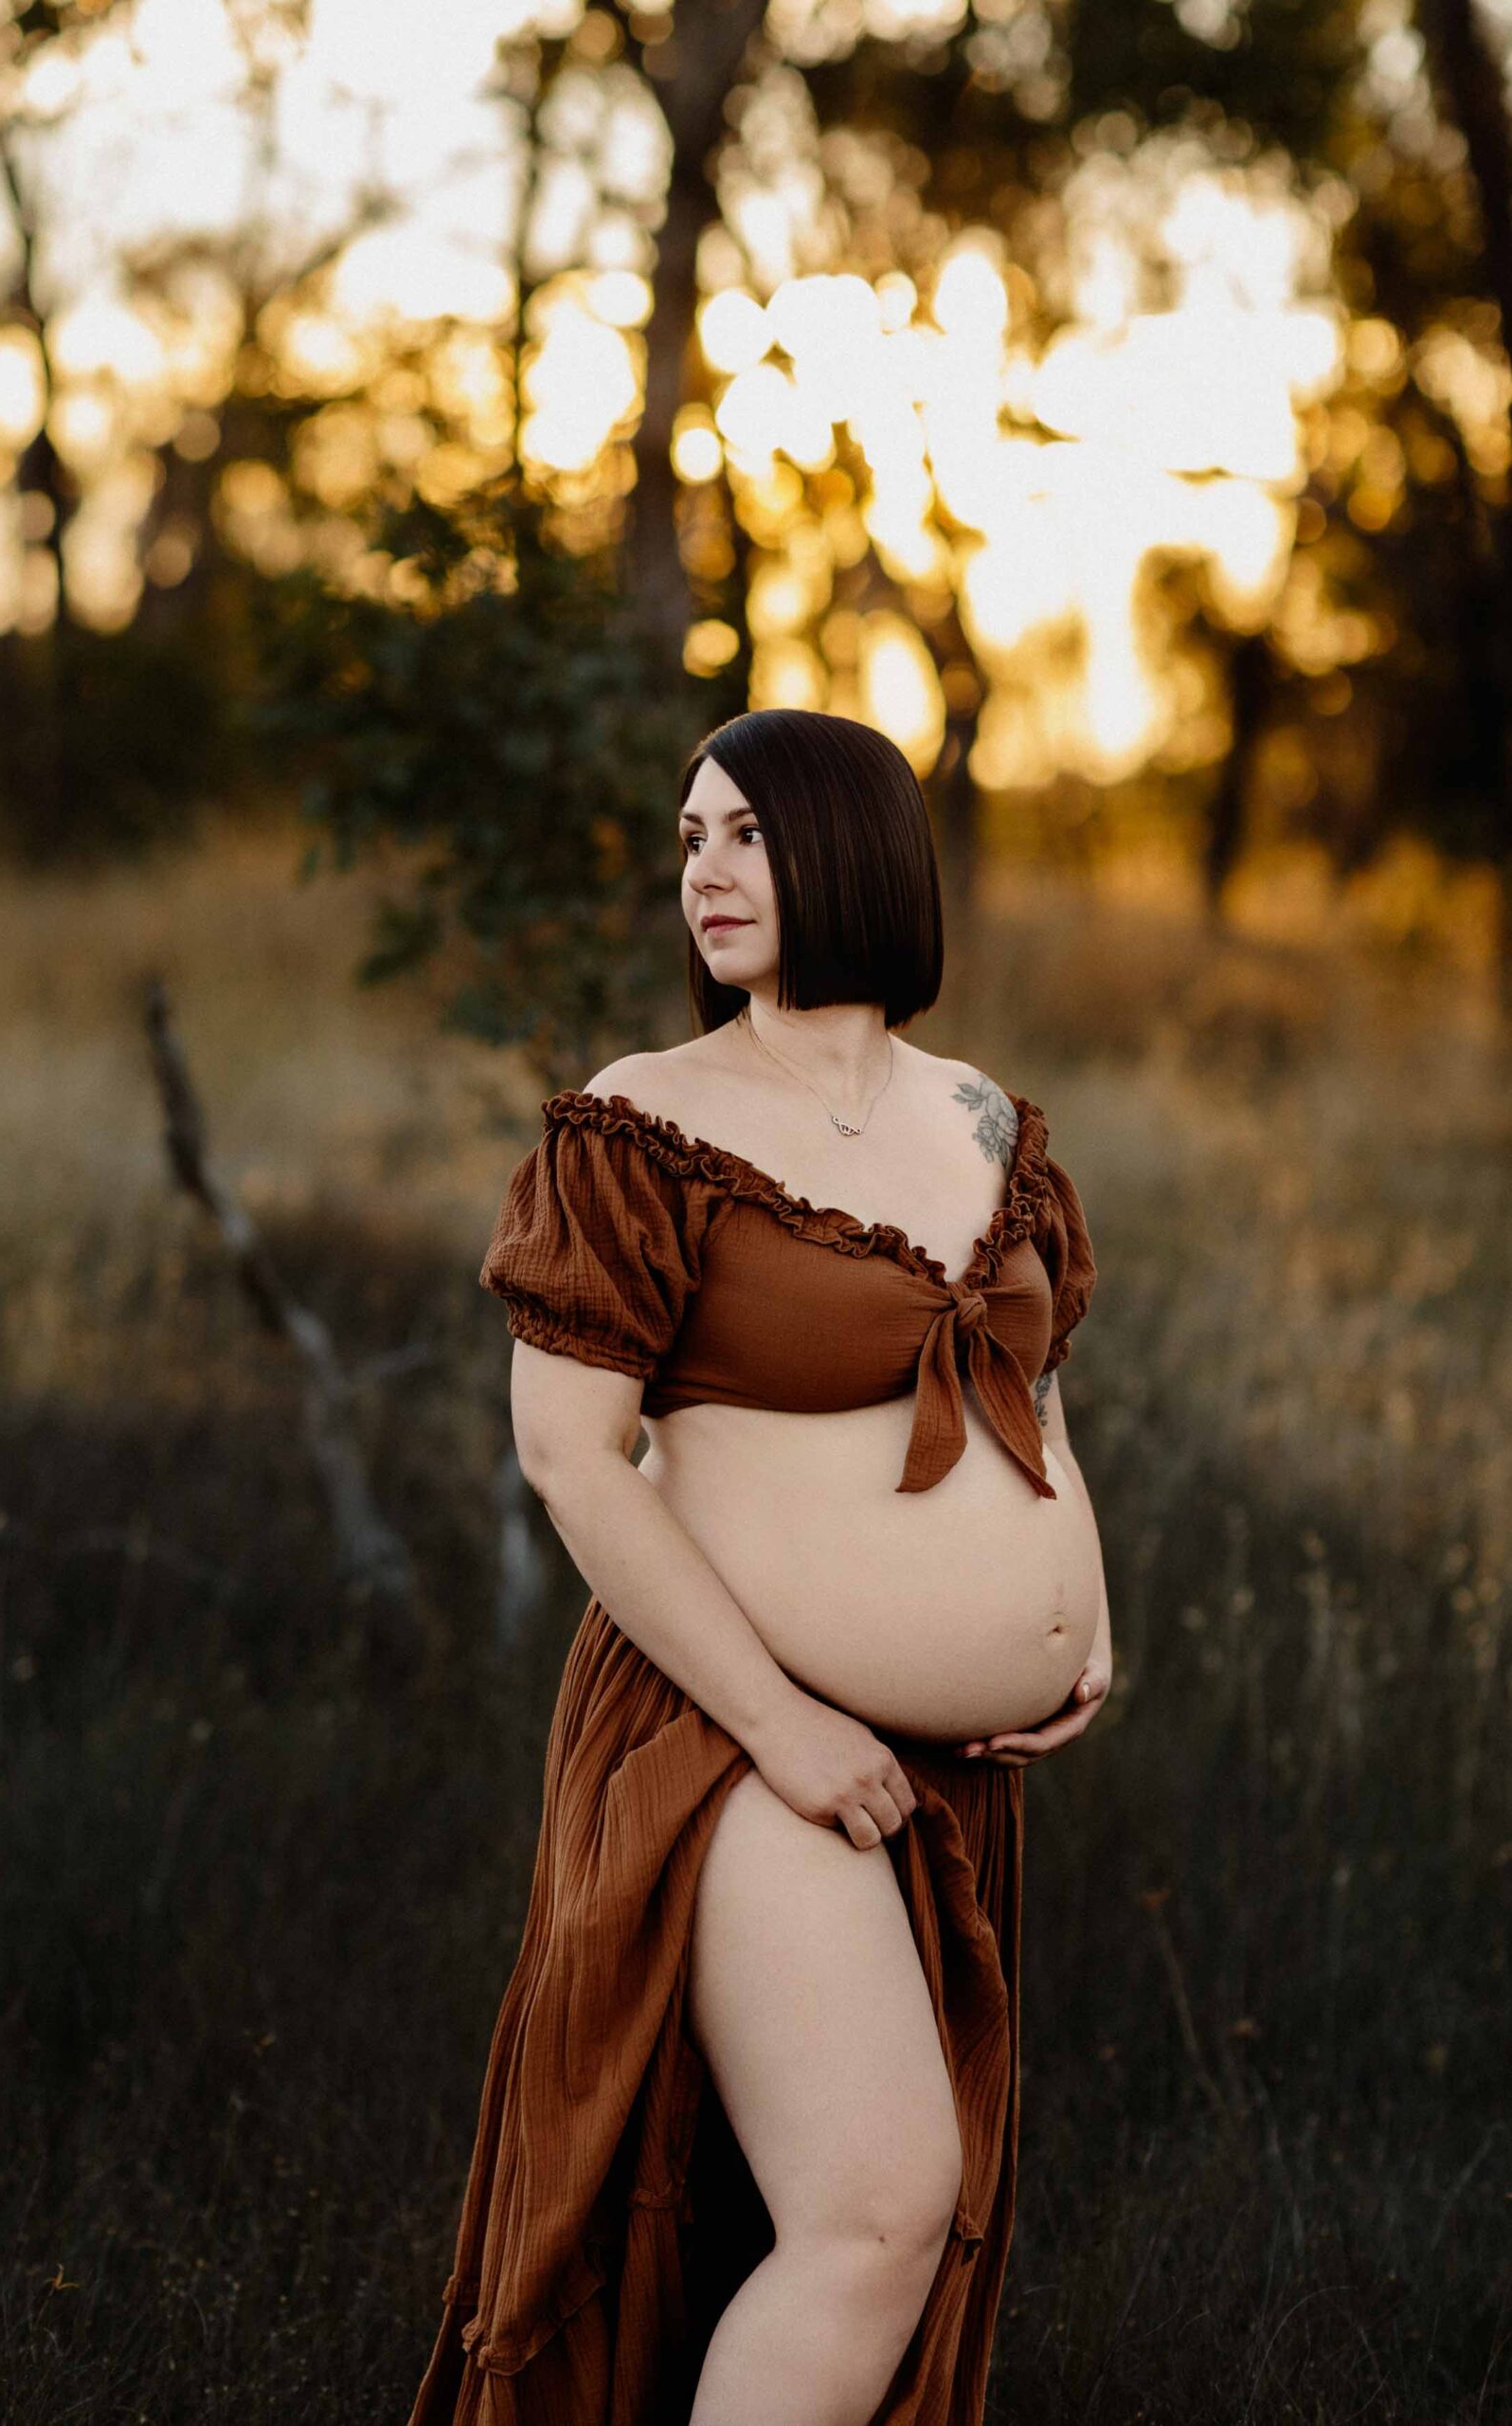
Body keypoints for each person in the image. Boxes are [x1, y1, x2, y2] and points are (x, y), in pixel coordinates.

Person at [405, 706, 1112, 2426]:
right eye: (687, 839)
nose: (703, 872)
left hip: (960, 1760)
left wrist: (1083, 1621)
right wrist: (782, 1729)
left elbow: (1033, 1396)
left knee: (885, 2222)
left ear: (854, 848)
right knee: (872, 2214)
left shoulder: (978, 1119)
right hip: (734, 1732)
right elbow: (571, 1455)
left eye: (745, 834)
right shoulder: (645, 1125)